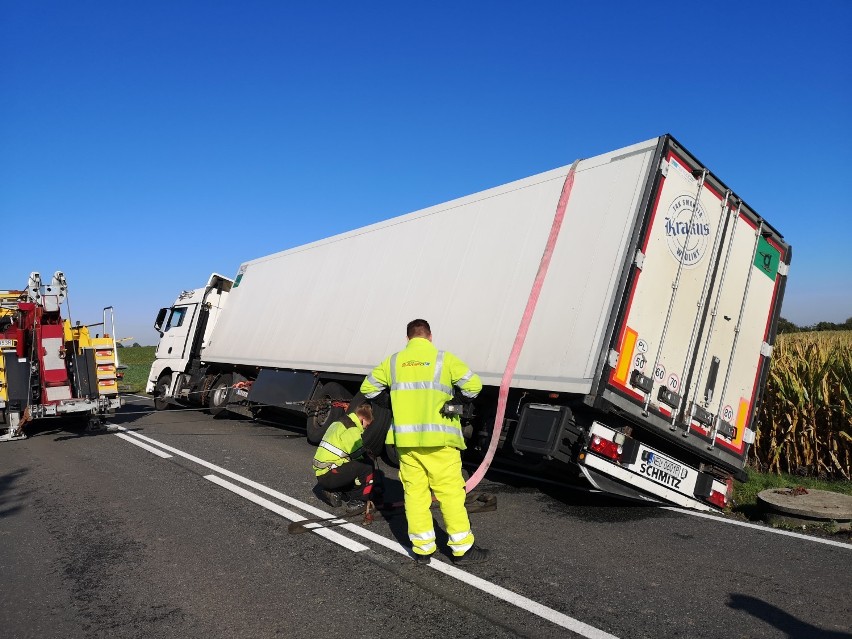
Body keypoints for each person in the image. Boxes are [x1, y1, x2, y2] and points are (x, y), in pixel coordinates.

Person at [360, 319, 489, 565]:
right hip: (440, 441)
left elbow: (369, 389)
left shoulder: (394, 361)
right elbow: (474, 386)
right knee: (450, 494)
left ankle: (422, 549)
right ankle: (462, 549)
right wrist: (455, 402)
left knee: (415, 495)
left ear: (408, 339)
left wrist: (391, 404)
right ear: (430, 337)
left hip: (407, 444)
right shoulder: (444, 359)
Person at [312, 403, 379, 515]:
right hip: (330, 474)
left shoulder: (340, 422)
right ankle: (359, 502)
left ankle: (334, 491)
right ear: (362, 419)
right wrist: (367, 489)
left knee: (355, 470)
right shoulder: (351, 429)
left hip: (324, 473)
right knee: (367, 466)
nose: (367, 428)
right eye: (367, 424)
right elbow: (358, 456)